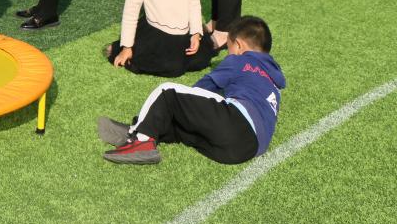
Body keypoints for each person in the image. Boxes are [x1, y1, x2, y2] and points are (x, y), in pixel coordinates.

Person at [98, 16, 285, 165]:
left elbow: (204, 86)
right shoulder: (274, 81)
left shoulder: (241, 60)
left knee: (168, 92)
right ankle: (141, 131)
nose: (229, 53)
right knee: (186, 129)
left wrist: (183, 106)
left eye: (229, 48)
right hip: (245, 150)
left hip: (235, 124)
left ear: (238, 45)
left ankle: (141, 140)